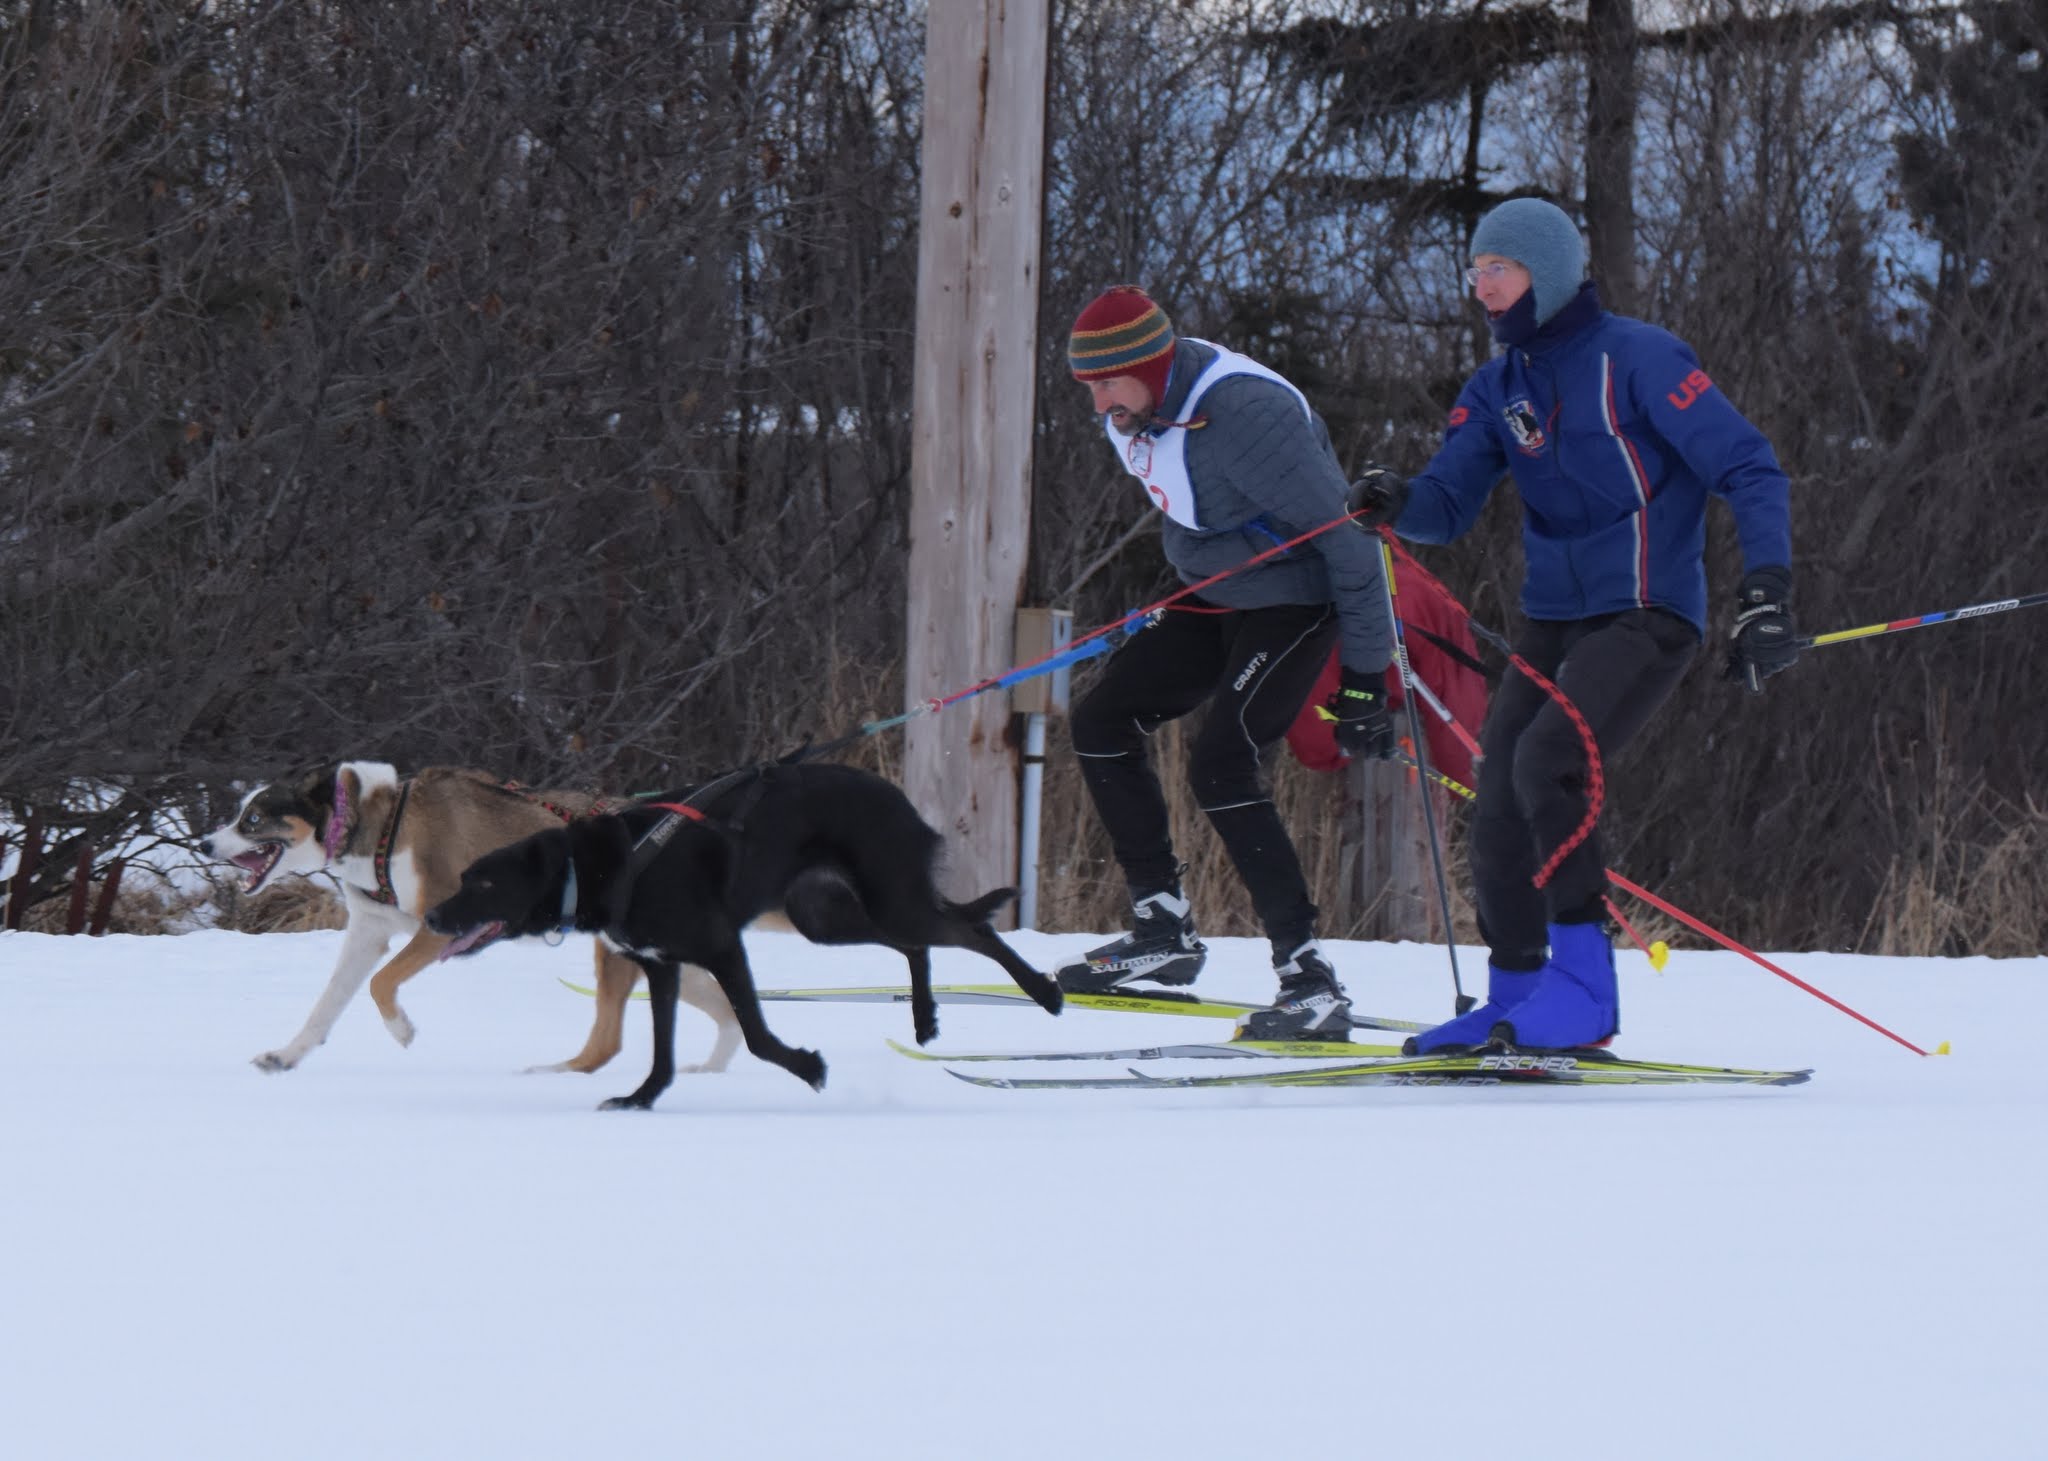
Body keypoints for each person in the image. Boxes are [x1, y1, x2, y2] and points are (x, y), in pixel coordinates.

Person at [1351, 197, 1797, 1053]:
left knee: (1548, 759)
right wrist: (1397, 501)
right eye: (1475, 270)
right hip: (1554, 624)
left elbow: (1749, 466)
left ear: (1545, 275)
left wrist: (1767, 592)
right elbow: (1445, 506)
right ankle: (1516, 991)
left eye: (1499, 269)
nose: (1481, 287)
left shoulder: (1640, 358)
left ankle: (1587, 993)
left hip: (1647, 614)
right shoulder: (1497, 387)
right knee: (1498, 791)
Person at [1059, 284, 1400, 1041]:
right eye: (1087, 389)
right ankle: (1162, 932)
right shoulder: (1137, 408)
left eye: (1107, 384)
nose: (1097, 406)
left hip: (1295, 600)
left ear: (1148, 364)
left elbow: (1351, 542)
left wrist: (1366, 679)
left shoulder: (1248, 417)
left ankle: (1308, 977)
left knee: (1222, 763)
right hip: (1220, 591)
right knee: (1101, 719)